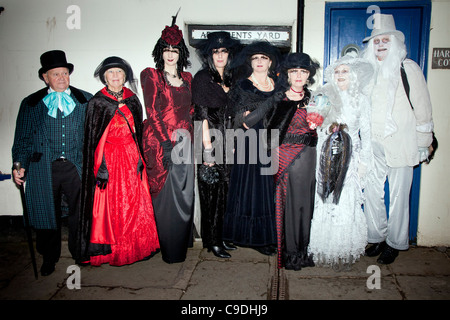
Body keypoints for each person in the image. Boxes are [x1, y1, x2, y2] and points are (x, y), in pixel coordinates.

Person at [12, 50, 92, 276]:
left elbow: (94, 136)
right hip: (43, 167)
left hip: (76, 165)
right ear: (45, 77)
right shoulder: (31, 103)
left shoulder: (85, 99)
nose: (61, 78)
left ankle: (81, 252)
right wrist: (19, 165)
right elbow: (23, 138)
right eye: (55, 74)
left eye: (64, 73)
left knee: (80, 212)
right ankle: (49, 257)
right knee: (47, 213)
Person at [361, 14, 434, 264]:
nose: (380, 45)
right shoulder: (368, 73)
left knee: (399, 196)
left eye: (385, 40)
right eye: (376, 41)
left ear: (394, 43)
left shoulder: (409, 68)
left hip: (401, 142)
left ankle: (394, 242)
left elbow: (423, 108)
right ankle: (377, 236)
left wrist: (424, 142)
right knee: (371, 191)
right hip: (373, 144)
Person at [76, 56, 160, 266]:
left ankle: (136, 248)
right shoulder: (97, 103)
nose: (115, 76)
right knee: (113, 206)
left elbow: (138, 132)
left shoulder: (132, 98)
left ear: (125, 76)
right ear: (105, 77)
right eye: (111, 73)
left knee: (134, 204)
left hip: (132, 156)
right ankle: (112, 252)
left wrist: (140, 156)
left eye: (119, 72)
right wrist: (101, 165)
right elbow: (93, 139)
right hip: (109, 160)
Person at [308, 53, 374, 271]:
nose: (340, 75)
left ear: (353, 75)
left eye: (345, 71)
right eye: (337, 71)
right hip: (327, 154)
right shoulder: (324, 95)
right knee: (325, 198)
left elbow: (367, 132)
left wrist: (364, 160)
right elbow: (314, 124)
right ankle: (324, 247)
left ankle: (342, 249)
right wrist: (326, 127)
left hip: (351, 158)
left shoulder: (361, 100)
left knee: (346, 200)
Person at [141, 17, 195, 264]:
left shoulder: (188, 78)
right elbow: (152, 112)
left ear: (181, 52)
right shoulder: (151, 75)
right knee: (166, 196)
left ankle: (182, 245)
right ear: (160, 52)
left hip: (185, 141)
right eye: (166, 50)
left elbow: (191, 110)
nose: (170, 54)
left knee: (185, 195)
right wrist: (165, 145)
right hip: (161, 141)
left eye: (174, 50)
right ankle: (169, 250)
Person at [222, 41, 281, 256]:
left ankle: (265, 236)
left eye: (263, 58)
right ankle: (253, 238)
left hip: (271, 141)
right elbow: (242, 120)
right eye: (255, 58)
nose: (259, 62)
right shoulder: (243, 86)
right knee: (252, 189)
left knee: (267, 190)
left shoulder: (277, 84)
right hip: (249, 142)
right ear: (251, 62)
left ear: (270, 62)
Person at [265, 52, 320, 270]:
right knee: (288, 204)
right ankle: (289, 253)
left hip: (307, 155)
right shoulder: (279, 98)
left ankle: (302, 251)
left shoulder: (315, 99)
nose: (298, 75)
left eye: (303, 71)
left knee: (305, 204)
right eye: (294, 71)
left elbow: (322, 126)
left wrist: (319, 125)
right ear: (287, 75)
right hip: (285, 156)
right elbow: (271, 133)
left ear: (308, 75)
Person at [192, 31, 241, 258]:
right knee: (210, 193)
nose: (219, 56)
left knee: (225, 193)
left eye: (223, 51)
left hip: (228, 142)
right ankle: (212, 241)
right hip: (209, 141)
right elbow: (200, 116)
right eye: (215, 51)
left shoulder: (232, 78)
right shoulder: (202, 78)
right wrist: (207, 149)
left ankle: (222, 236)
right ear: (209, 55)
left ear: (229, 54)